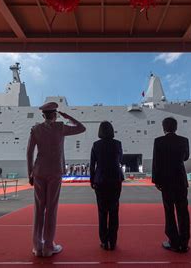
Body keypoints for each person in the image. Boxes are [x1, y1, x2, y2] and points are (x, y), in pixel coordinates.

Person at [27, 102, 86, 257]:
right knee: (51, 209)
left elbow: (29, 153)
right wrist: (67, 116)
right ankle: (48, 247)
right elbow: (81, 128)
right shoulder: (60, 128)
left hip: (39, 172)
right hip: (55, 171)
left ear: (43, 115)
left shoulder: (35, 129)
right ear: (55, 114)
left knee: (39, 209)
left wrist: (30, 173)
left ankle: (36, 246)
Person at [152, 117, 190, 253]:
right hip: (180, 180)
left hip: (166, 181)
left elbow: (156, 162)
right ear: (176, 127)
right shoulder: (184, 140)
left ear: (164, 128)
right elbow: (186, 157)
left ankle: (173, 241)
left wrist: (156, 180)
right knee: (183, 211)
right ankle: (184, 242)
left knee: (169, 211)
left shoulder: (159, 141)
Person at [90, 121, 124, 251]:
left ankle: (104, 241)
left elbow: (92, 165)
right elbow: (120, 160)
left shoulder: (96, 145)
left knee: (102, 212)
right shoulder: (118, 144)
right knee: (114, 211)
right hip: (115, 179)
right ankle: (113, 241)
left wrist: (92, 181)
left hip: (101, 180)